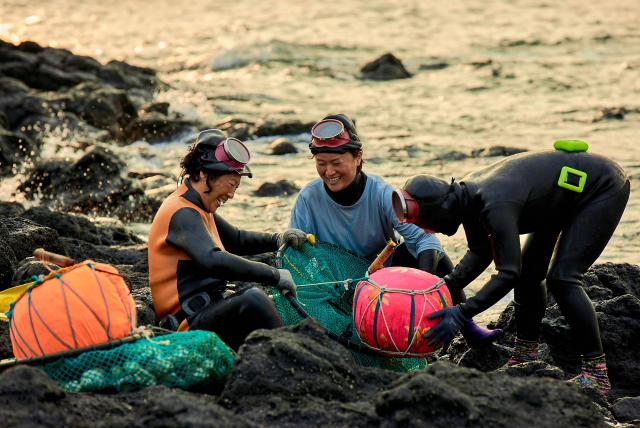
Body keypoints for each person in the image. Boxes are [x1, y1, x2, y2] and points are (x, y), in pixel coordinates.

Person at [393, 141, 630, 394]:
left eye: (427, 224)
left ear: (440, 209)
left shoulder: (494, 202)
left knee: (563, 279)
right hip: (557, 198)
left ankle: (596, 374)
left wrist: (461, 313)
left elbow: (507, 273)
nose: (429, 231)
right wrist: (445, 286)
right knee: (529, 276)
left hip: (600, 186)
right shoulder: (467, 198)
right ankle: (525, 354)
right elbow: (479, 253)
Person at [289, 113, 502, 347]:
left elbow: (425, 241)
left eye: (337, 163)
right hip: (336, 286)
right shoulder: (308, 199)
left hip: (381, 286)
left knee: (435, 257)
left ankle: (467, 326)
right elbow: (299, 258)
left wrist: (422, 290)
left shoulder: (380, 193)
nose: (329, 172)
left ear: (358, 157)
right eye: (321, 164)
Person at [148, 129, 308, 350]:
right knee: (253, 299)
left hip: (208, 312)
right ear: (204, 175)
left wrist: (278, 238)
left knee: (262, 304)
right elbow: (213, 260)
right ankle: (288, 358)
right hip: (187, 327)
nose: (232, 195)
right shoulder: (182, 212)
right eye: (231, 185)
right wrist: (273, 275)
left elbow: (236, 239)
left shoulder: (198, 207)